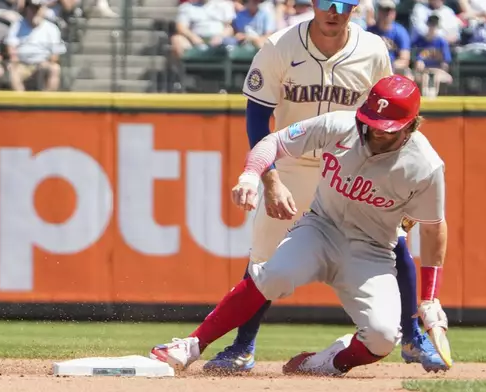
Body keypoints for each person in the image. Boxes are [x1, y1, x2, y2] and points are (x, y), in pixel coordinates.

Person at [164, 0, 447, 374]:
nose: (334, 10)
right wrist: (267, 178)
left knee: (393, 242)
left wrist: (429, 292)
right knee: (265, 262)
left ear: (356, 7)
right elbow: (259, 119)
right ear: (312, 3)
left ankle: (410, 334)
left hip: (352, 160)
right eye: (326, 2)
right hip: (294, 162)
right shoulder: (279, 46)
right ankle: (242, 345)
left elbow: (388, 108)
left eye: (344, 4)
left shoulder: (374, 50)